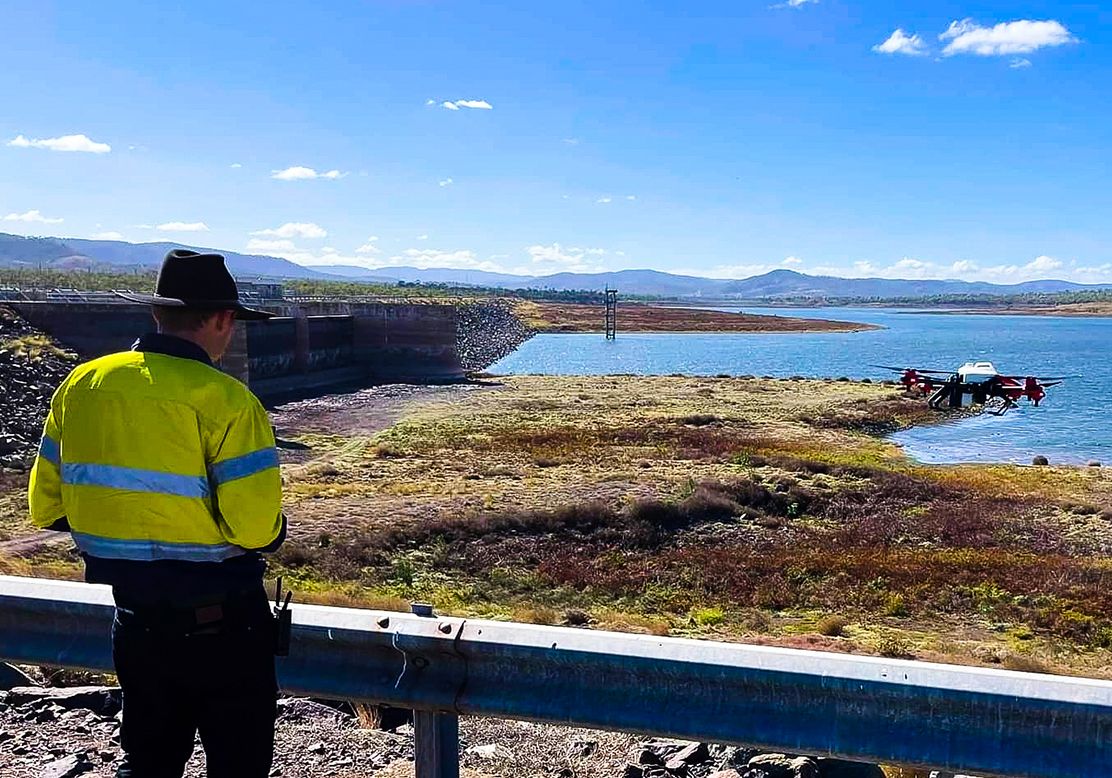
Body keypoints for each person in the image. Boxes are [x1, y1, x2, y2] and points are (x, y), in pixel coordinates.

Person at [28, 249, 287, 777]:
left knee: (149, 761)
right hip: (226, 628)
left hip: (137, 623)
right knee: (239, 763)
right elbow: (256, 529)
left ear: (156, 315)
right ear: (221, 318)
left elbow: (45, 507)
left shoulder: (84, 384)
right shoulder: (229, 401)